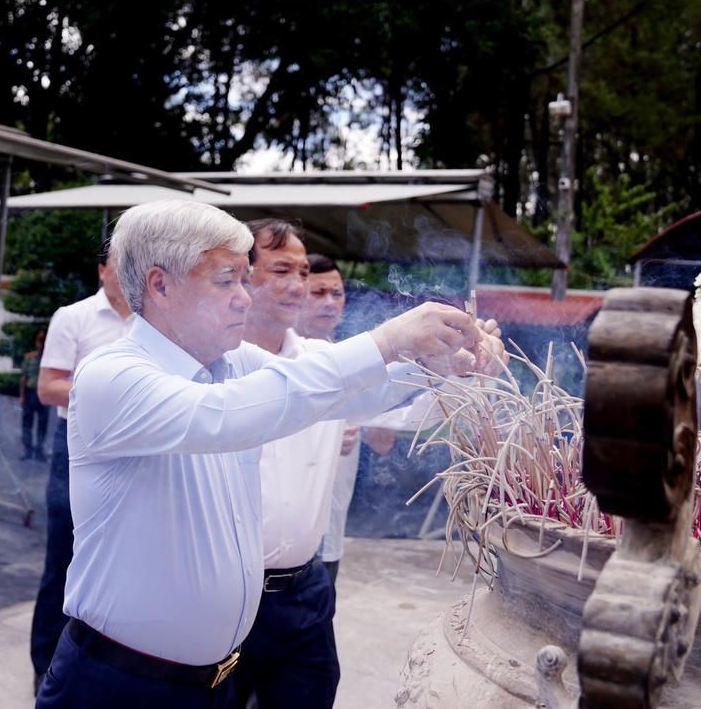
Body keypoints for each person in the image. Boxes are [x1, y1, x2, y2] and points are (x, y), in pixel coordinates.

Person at [35, 200, 503, 708]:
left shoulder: (228, 361)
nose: (244, 298)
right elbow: (232, 413)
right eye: (227, 279)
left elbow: (346, 394)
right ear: (160, 285)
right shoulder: (113, 374)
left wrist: (444, 364)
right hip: (119, 686)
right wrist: (387, 340)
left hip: (208, 683)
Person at [29, 243, 133, 694]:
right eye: (120, 264)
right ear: (102, 270)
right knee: (65, 559)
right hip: (76, 448)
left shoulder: (153, 319)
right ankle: (44, 661)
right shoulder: (73, 317)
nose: (127, 273)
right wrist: (110, 392)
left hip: (132, 450)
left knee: (123, 560)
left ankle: (104, 661)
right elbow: (49, 387)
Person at [297, 253, 397, 586]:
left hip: (331, 529)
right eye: (318, 292)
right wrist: (319, 437)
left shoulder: (354, 362)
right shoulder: (276, 359)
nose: (330, 302)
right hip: (281, 536)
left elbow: (382, 444)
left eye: (337, 293)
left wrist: (389, 399)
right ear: (297, 294)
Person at [18, 330, 50, 462]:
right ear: (36, 343)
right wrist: (22, 395)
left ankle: (39, 450)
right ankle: (27, 450)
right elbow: (24, 378)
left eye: (43, 341)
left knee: (42, 424)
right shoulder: (29, 358)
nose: (41, 344)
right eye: (39, 341)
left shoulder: (50, 359)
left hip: (44, 394)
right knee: (27, 424)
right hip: (31, 393)